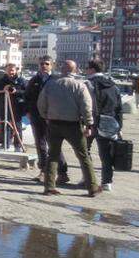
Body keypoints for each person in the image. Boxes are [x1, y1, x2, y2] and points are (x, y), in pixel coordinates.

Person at [38, 60, 99, 197]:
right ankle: (92, 187)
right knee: (83, 156)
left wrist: (46, 116)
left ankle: (49, 187)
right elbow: (86, 107)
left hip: (54, 123)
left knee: (52, 156)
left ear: (61, 69)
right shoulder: (80, 85)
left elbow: (41, 103)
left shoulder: (51, 84)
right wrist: (88, 124)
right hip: (73, 125)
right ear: (75, 70)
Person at [25, 57, 68, 184]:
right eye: (41, 64)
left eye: (47, 64)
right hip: (37, 117)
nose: (44, 66)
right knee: (40, 144)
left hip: (52, 117)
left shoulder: (56, 80)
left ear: (52, 65)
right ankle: (43, 170)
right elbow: (27, 97)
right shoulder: (34, 80)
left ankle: (62, 172)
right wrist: (28, 111)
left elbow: (62, 99)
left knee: (54, 145)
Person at [85, 59, 123, 192]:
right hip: (109, 122)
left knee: (84, 150)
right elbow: (119, 108)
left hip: (91, 122)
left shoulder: (88, 84)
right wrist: (119, 127)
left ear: (93, 70)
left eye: (87, 68)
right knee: (106, 155)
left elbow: (85, 104)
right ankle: (107, 182)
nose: (85, 70)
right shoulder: (113, 86)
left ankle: (88, 178)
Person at [0, 62, 28, 151]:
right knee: (5, 124)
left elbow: (26, 93)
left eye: (12, 70)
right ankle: (5, 144)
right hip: (4, 106)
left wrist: (16, 91)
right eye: (8, 70)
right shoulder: (2, 80)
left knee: (17, 126)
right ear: (6, 71)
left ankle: (18, 145)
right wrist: (3, 89)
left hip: (17, 106)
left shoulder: (21, 81)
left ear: (16, 70)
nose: (10, 72)